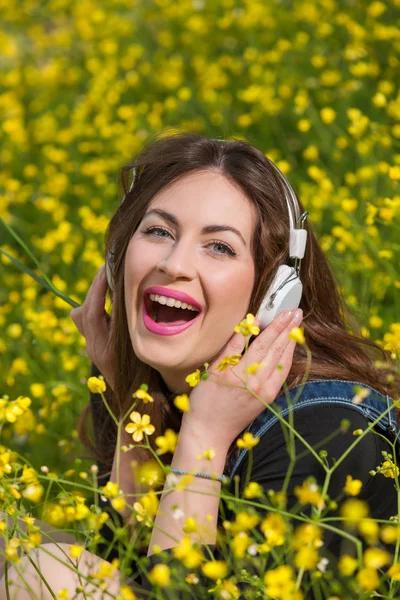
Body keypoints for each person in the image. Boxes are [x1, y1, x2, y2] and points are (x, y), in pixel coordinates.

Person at [1, 132, 399, 600]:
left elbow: (169, 589)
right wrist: (131, 403)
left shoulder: (326, 433)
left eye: (219, 247)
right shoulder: (153, 389)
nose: (174, 264)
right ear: (115, 261)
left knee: (49, 574)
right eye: (158, 232)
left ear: (274, 293)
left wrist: (204, 436)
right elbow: (122, 562)